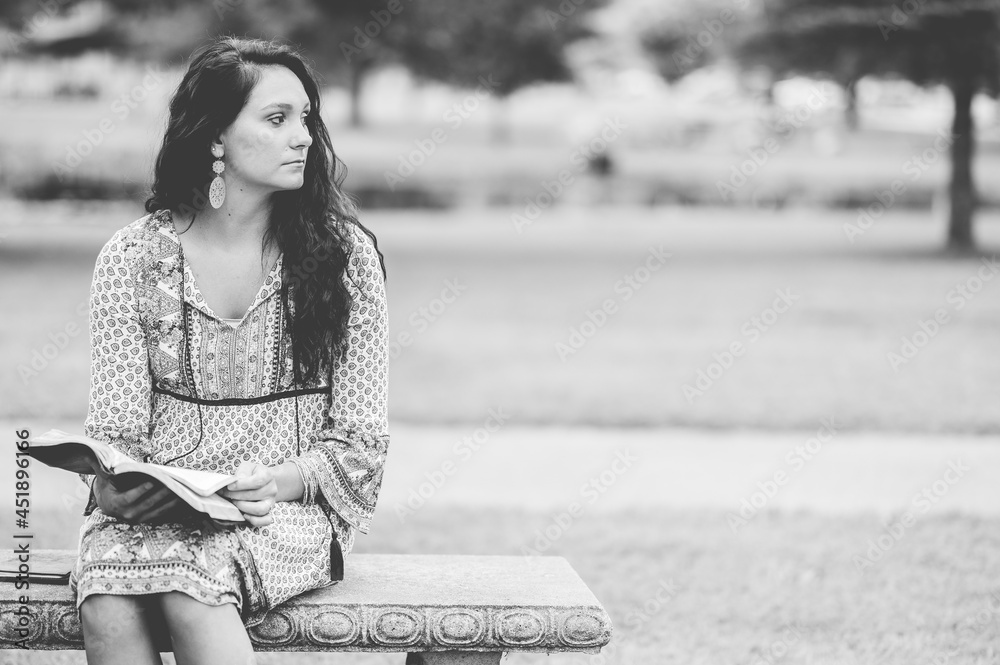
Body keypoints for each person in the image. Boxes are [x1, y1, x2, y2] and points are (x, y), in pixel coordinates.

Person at [68, 36, 390, 665]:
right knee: (106, 594)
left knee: (190, 583)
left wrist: (276, 481)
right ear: (214, 137)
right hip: (151, 516)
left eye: (306, 118)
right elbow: (115, 431)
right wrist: (111, 487)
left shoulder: (344, 257)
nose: (304, 137)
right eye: (277, 119)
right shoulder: (132, 258)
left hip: (283, 514)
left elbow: (362, 447)